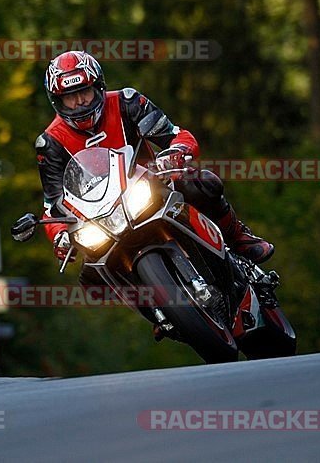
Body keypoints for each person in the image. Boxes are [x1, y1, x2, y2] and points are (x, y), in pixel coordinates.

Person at [35, 50, 274, 300]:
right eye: (70, 97)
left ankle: (238, 237)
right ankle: (157, 309)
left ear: (99, 87)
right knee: (91, 282)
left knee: (201, 183)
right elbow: (53, 205)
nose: (80, 101)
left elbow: (177, 135)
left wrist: (175, 153)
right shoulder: (50, 143)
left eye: (84, 91)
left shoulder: (127, 102)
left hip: (152, 185)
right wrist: (60, 235)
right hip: (101, 219)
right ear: (57, 101)